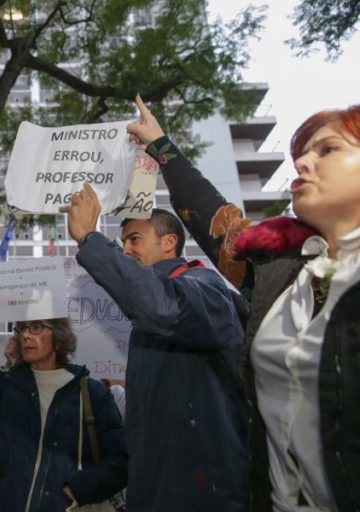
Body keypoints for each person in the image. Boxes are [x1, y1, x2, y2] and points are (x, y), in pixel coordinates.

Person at [126, 97, 360, 512]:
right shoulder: (281, 271)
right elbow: (217, 221)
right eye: (300, 154)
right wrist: (160, 145)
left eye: (328, 150)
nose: (303, 163)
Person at [60, 190, 249, 511]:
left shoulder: (204, 285)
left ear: (169, 242)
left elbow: (163, 306)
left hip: (201, 490)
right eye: (123, 242)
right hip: (157, 485)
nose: (127, 249)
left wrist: (91, 239)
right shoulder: (151, 305)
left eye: (135, 238)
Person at [0, 283, 128, 512]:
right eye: (22, 329)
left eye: (36, 327)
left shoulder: (92, 393)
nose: (26, 335)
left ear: (58, 339)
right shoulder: (8, 385)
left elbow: (121, 462)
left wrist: (75, 490)